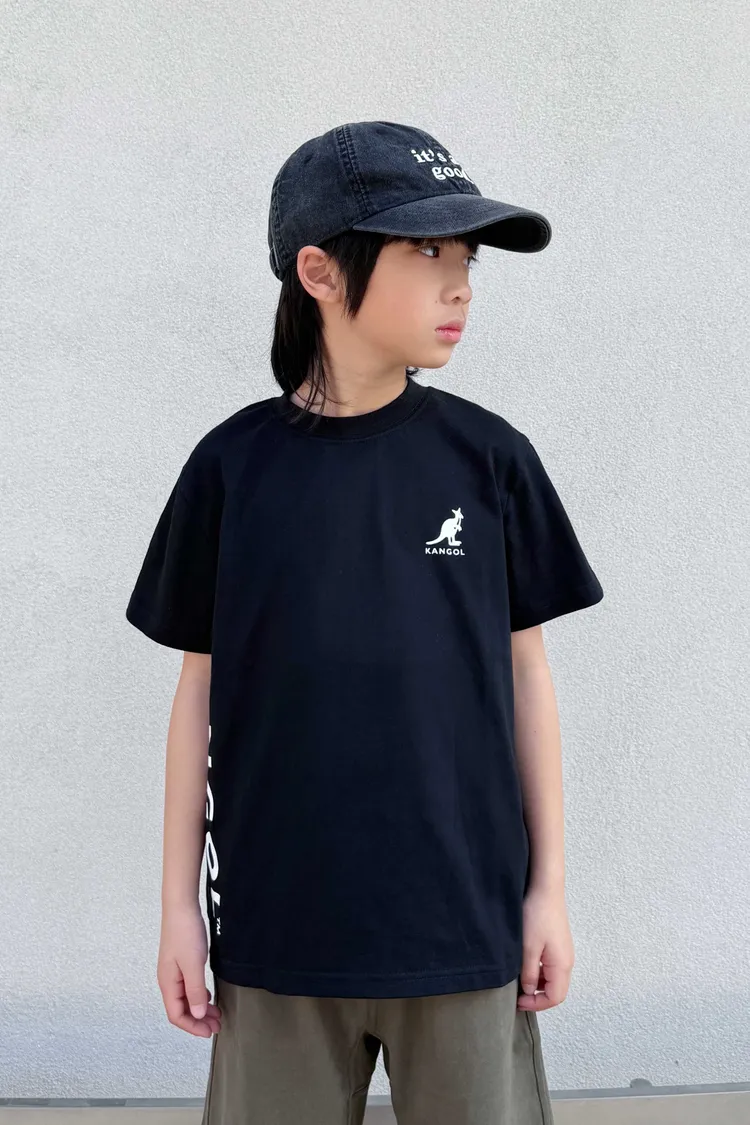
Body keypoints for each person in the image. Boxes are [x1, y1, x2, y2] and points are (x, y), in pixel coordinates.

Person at [125, 120, 604, 1125]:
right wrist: (176, 909)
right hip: (279, 935)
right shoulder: (232, 470)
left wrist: (549, 890)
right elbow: (197, 692)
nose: (460, 285)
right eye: (426, 252)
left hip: (463, 930)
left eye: (467, 258)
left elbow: (528, 677)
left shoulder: (490, 461)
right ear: (320, 271)